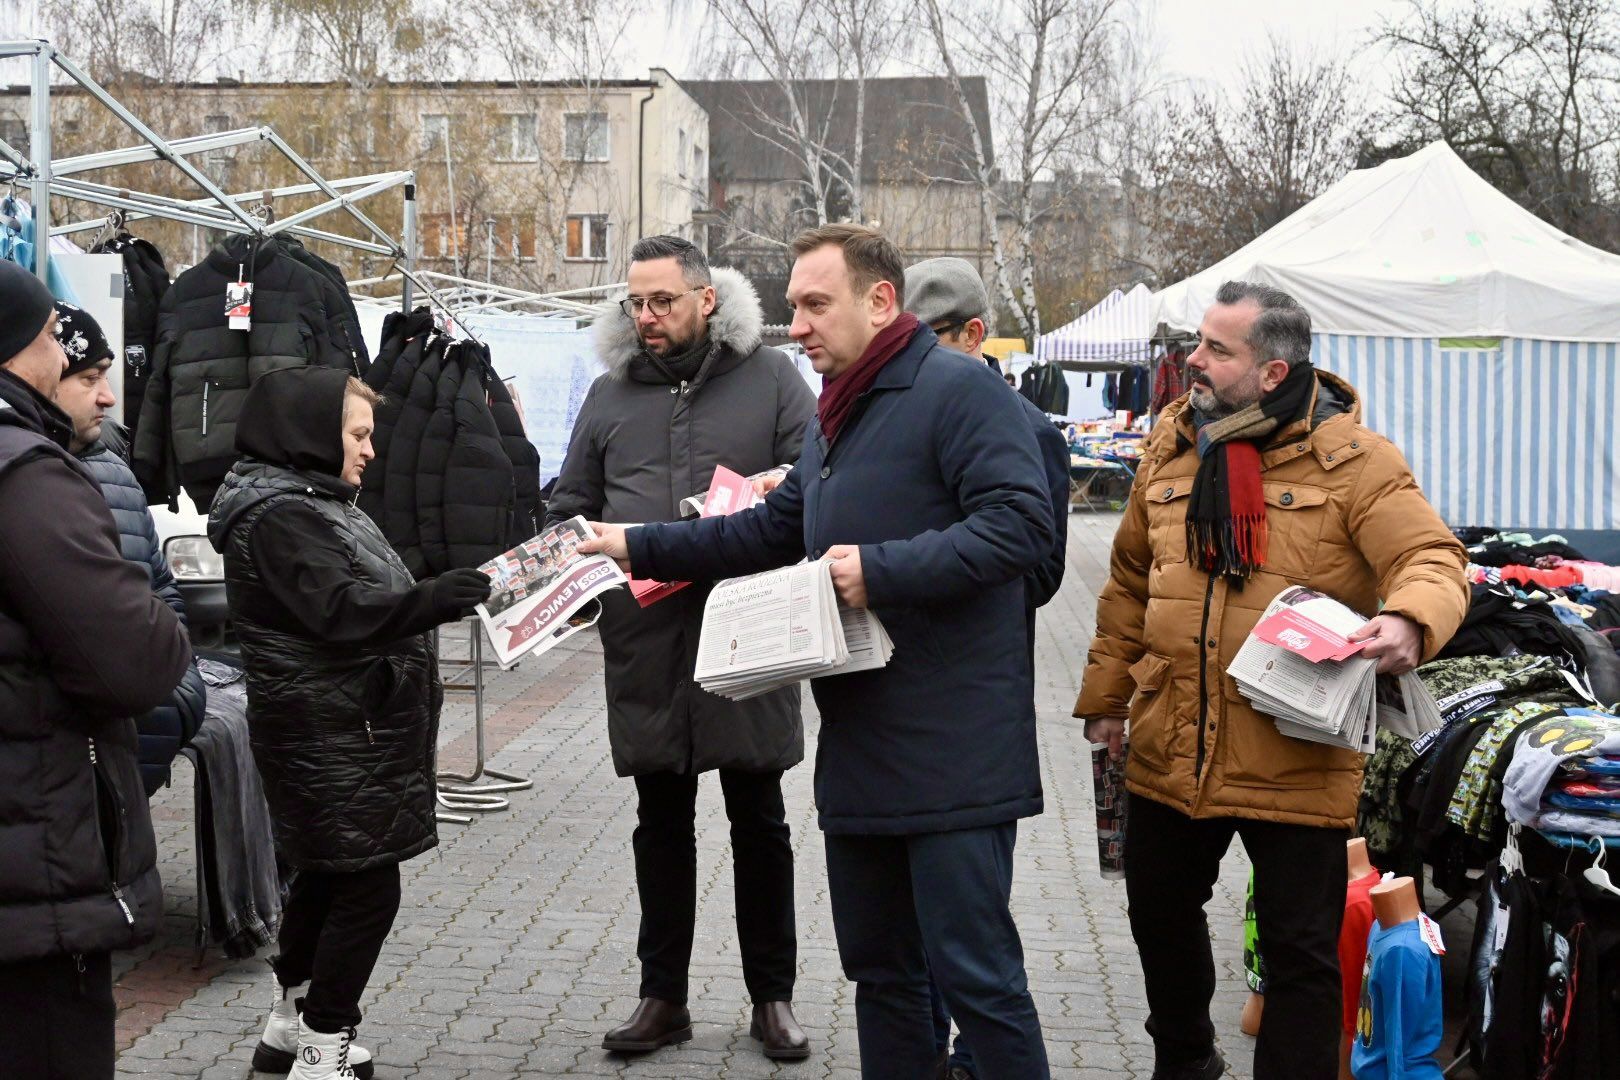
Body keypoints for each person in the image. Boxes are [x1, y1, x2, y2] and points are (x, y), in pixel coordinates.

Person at [582, 224, 1055, 1079]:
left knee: (979, 984)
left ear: (880, 302)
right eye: (793, 305)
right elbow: (767, 528)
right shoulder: (841, 416)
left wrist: (880, 570)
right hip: (863, 746)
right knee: (883, 978)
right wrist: (634, 545)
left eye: (813, 304)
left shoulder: (958, 394)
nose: (795, 325)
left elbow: (1022, 529)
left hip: (955, 753)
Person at [1073, 280, 1468, 1080]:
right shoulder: (1174, 444)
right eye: (1198, 343)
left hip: (1298, 751)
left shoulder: (1357, 461)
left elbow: (1434, 558)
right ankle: (1186, 1060)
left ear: (1275, 374)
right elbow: (1128, 585)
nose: (1195, 362)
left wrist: (1409, 619)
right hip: (1171, 741)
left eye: (1219, 350)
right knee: (1158, 918)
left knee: (1300, 956)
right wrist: (1108, 701)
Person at [547, 234, 817, 1060]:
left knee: (759, 821)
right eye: (634, 301)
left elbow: (818, 481)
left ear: (707, 298)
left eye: (662, 300)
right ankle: (661, 998)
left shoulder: (773, 378)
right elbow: (571, 501)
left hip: (747, 628)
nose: (646, 316)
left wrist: (773, 487)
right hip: (646, 642)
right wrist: (567, 555)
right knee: (659, 823)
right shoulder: (609, 392)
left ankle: (773, 999)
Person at [207, 366, 492, 1080]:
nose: (369, 450)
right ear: (309, 432)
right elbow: (340, 611)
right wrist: (432, 600)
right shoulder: (283, 515)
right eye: (358, 435)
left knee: (331, 879)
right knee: (366, 888)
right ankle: (323, 1048)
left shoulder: (310, 500)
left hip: (342, 727)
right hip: (330, 732)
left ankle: (288, 1027)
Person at [0, 261, 193, 1079]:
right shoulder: (27, 474)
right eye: (49, 336)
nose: (58, 351)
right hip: (33, 875)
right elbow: (136, 662)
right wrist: (163, 624)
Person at [904, 256, 1069, 1080]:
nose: (917, 357)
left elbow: (1039, 574)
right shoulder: (890, 412)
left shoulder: (1025, 429)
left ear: (975, 335)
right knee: (910, 940)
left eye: (932, 340)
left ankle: (975, 1059)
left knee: (969, 926)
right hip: (899, 709)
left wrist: (936, 562)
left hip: (972, 711)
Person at [54, 302, 207, 798]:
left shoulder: (115, 466)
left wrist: (178, 694)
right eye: (89, 377)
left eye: (107, 376)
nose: (108, 397)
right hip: (60, 771)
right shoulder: (22, 477)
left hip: (134, 744)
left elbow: (161, 588)